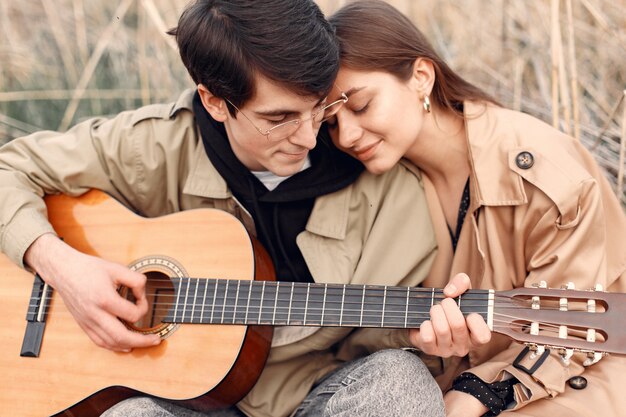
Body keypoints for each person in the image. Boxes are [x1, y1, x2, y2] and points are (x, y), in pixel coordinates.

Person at [0, 1, 458, 416]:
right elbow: (8, 170)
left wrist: (418, 337)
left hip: (317, 393)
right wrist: (61, 267)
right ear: (215, 101)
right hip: (187, 401)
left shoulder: (390, 188)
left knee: (400, 383)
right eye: (278, 119)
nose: (308, 136)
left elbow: (372, 336)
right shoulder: (156, 145)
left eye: (318, 107)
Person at [326, 1, 626, 416]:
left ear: (421, 77)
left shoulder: (543, 174)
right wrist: (420, 343)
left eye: (359, 106)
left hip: (572, 383)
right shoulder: (379, 186)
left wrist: (470, 397)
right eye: (331, 122)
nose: (347, 135)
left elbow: (573, 332)